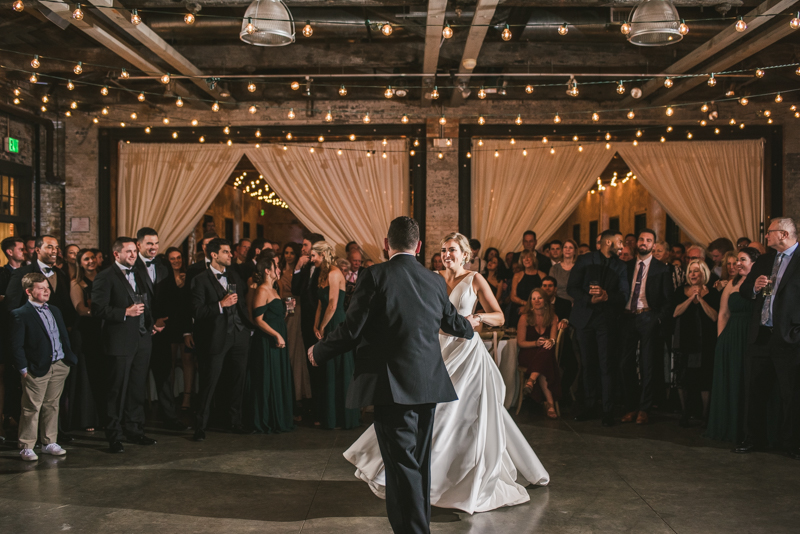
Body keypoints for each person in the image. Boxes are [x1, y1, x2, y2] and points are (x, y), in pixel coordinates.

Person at [320, 223, 547, 527]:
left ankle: (456, 484)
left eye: (452, 249)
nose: (446, 254)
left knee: (464, 420)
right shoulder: (432, 278)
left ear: (465, 255)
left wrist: (475, 318)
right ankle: (429, 490)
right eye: (442, 250)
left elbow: (498, 316)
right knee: (437, 424)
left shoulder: (473, 279)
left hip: (465, 354)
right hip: (434, 354)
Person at [735, 218, 800, 459]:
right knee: (756, 391)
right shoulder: (764, 259)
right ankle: (754, 439)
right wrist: (754, 287)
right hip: (761, 335)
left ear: (783, 234)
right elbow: (744, 290)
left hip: (789, 338)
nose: (766, 237)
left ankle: (792, 443)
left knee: (790, 395)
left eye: (769, 233)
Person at [91, 237, 160, 453]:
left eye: (134, 251)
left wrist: (150, 324)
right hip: (119, 342)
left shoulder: (139, 274)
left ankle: (135, 430)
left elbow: (146, 303)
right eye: (128, 251)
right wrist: (124, 312)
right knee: (117, 390)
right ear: (116, 254)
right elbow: (98, 309)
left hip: (142, 339)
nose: (132, 255)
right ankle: (114, 435)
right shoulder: (105, 277)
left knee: (137, 388)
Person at [10, 273, 77, 461]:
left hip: (60, 364)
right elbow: (16, 345)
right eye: (41, 288)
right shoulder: (20, 314)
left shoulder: (54, 310)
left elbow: (62, 335)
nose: (46, 290)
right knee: (31, 407)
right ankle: (27, 446)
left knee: (52, 405)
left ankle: (49, 442)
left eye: (47, 287)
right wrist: (23, 368)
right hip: (36, 368)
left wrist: (68, 358)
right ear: (29, 291)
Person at [190, 238, 252, 442]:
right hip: (215, 337)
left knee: (237, 380)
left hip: (239, 334)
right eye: (226, 252)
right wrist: (220, 304)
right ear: (214, 255)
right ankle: (200, 426)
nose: (231, 255)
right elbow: (197, 311)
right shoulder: (199, 279)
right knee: (209, 382)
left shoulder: (234, 275)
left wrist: (247, 328)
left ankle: (235, 422)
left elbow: (242, 301)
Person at [568, 229, 630, 426]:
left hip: (607, 320)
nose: (623, 246)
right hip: (585, 318)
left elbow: (624, 295)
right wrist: (589, 299)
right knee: (587, 364)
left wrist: (606, 296)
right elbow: (572, 287)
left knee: (606, 365)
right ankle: (588, 406)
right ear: (608, 243)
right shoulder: (585, 260)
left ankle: (607, 410)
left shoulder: (621, 266)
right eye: (620, 242)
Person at [135, 228, 187, 431]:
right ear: (139, 245)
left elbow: (171, 298)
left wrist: (163, 322)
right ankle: (136, 422)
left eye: (156, 243)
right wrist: (151, 322)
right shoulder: (131, 266)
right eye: (149, 243)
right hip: (139, 330)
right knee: (138, 378)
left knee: (164, 375)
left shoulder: (163, 265)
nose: (154, 247)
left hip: (162, 331)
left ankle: (170, 418)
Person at [705, 247, 760, 443]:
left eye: (742, 260)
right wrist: (721, 340)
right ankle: (727, 427)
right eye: (737, 260)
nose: (738, 263)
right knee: (730, 381)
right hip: (730, 338)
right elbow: (723, 313)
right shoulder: (731, 284)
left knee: (745, 382)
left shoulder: (758, 283)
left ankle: (746, 430)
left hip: (750, 337)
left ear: (754, 263)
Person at [619, 229, 673, 426]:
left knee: (647, 364)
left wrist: (657, 319)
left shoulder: (662, 268)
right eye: (641, 239)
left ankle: (644, 408)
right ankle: (631, 407)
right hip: (627, 318)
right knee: (625, 364)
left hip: (648, 315)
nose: (644, 242)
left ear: (654, 245)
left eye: (648, 240)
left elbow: (669, 300)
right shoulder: (625, 266)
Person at [310, 241, 359, 429]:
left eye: (314, 255)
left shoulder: (334, 273)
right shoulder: (321, 274)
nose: (311, 258)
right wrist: (316, 325)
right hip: (324, 321)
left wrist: (322, 327)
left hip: (336, 322)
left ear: (323, 255)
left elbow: (332, 304)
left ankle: (342, 417)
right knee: (327, 370)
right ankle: (328, 416)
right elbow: (320, 304)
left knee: (339, 369)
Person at [246, 252, 294, 433]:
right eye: (276, 267)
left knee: (278, 376)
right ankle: (265, 419)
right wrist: (277, 335)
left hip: (278, 337)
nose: (279, 270)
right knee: (267, 378)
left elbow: (278, 316)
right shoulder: (261, 290)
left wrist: (289, 310)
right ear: (268, 271)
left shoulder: (275, 290)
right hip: (267, 340)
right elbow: (258, 320)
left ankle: (278, 417)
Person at [672, 259, 720, 427]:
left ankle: (705, 415)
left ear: (704, 274)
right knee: (683, 377)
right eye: (691, 271)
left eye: (696, 271)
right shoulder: (680, 291)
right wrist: (690, 297)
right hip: (684, 341)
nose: (693, 274)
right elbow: (675, 312)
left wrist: (700, 299)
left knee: (704, 379)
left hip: (705, 342)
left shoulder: (713, 293)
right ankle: (685, 413)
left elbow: (714, 316)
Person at [6, 235, 78, 328]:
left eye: (56, 247)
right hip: (33, 329)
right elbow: (11, 306)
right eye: (49, 247)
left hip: (59, 329)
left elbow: (66, 303)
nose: (54, 251)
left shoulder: (62, 274)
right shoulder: (21, 273)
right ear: (38, 250)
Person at [66, 249, 101, 432]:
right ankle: (86, 419)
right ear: (80, 263)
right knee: (86, 374)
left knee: (101, 373)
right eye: (86, 259)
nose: (90, 261)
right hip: (85, 332)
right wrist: (104, 311)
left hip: (102, 331)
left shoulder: (103, 278)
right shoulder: (76, 283)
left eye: (92, 258)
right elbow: (80, 309)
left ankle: (102, 417)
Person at [277, 243, 312, 414]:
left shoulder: (302, 271)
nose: (289, 255)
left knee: (300, 350)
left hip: (299, 311)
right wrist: (287, 312)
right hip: (288, 311)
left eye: (292, 253)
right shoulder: (280, 272)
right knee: (291, 349)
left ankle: (302, 393)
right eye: (287, 252)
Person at [518, 287, 561, 418]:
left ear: (545, 301)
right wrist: (535, 343)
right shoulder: (524, 318)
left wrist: (551, 342)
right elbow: (521, 343)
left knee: (546, 350)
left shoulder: (553, 317)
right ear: (530, 302)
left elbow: (553, 338)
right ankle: (550, 405)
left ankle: (531, 381)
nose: (536, 301)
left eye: (540, 298)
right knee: (544, 358)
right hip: (528, 353)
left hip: (543, 355)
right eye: (533, 298)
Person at [162, 247, 194, 412]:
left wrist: (188, 330)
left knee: (188, 361)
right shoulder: (163, 278)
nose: (176, 261)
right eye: (172, 258)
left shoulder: (189, 277)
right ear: (168, 260)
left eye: (179, 258)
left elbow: (190, 305)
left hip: (186, 324)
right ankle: (170, 398)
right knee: (170, 363)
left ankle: (187, 398)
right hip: (169, 325)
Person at [0, 236, 26, 443]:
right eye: (20, 248)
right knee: (8, 377)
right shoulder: (2, 274)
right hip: (6, 331)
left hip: (24, 331)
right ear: (10, 252)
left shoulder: (28, 272)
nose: (24, 251)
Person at [507, 250, 547, 329]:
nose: (527, 259)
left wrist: (530, 307)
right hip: (519, 309)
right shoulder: (517, 275)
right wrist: (526, 305)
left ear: (533, 259)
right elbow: (513, 296)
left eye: (529, 257)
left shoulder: (542, 275)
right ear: (521, 261)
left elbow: (544, 296)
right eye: (524, 258)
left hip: (537, 309)